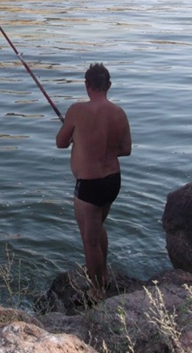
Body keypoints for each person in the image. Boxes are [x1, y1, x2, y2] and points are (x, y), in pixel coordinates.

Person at [56, 63, 132, 301]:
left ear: (87, 85)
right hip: (112, 181)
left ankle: (97, 290)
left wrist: (82, 144)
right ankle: (104, 274)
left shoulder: (77, 110)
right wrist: (102, 150)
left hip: (89, 185)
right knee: (98, 227)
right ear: (108, 85)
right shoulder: (119, 112)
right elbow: (126, 150)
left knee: (89, 241)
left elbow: (60, 142)